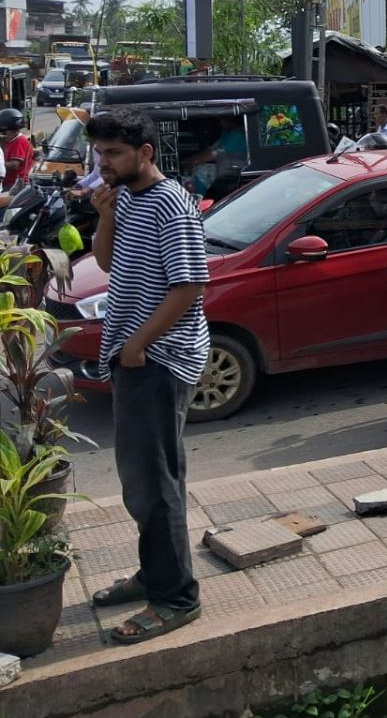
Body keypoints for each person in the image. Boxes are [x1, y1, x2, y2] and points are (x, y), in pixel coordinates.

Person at [82, 108, 208, 644]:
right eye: (99, 154)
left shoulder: (171, 206)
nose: (102, 164)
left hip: (159, 357)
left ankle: (176, 596)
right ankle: (154, 574)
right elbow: (108, 263)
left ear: (145, 153)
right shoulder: (128, 198)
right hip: (133, 355)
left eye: (113, 154)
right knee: (141, 479)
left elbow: (190, 287)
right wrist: (105, 214)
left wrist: (137, 346)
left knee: (155, 483)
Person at [0, 107, 35, 191]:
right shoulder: (9, 141)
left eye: (3, 132)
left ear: (12, 130)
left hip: (16, 184)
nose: (2, 135)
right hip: (7, 181)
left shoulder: (20, 141)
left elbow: (14, 164)